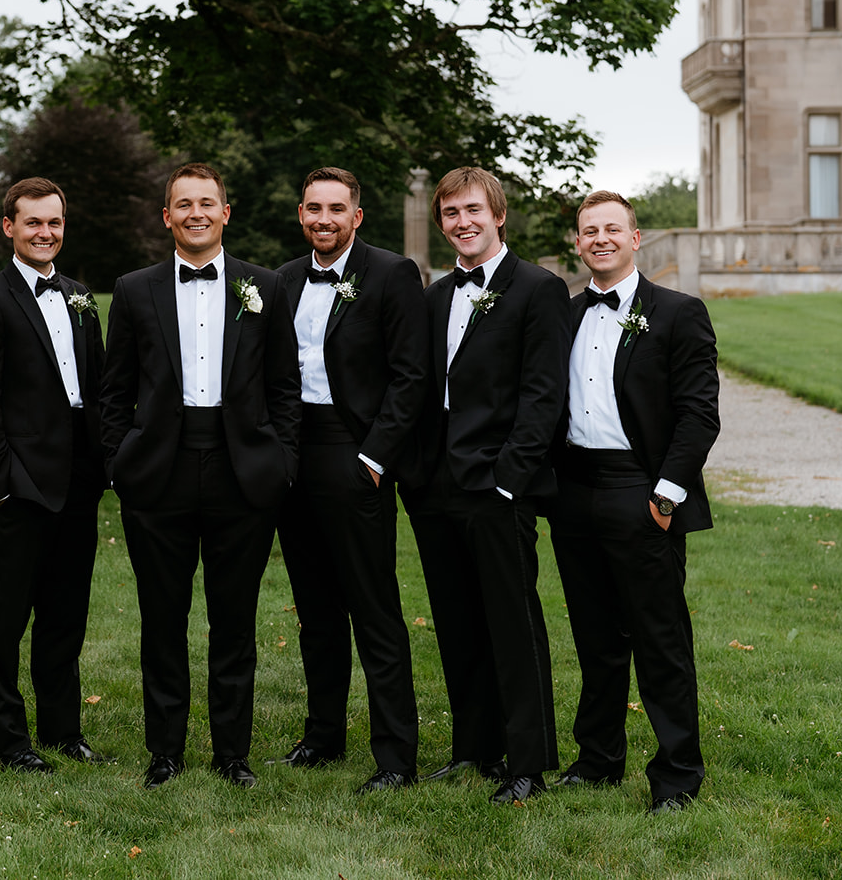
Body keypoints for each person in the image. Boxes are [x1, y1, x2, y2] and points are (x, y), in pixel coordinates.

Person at [100, 162, 301, 790]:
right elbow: (115, 391)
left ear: (225, 212)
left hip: (241, 472)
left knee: (234, 620)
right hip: (157, 473)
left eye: (206, 203)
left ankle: (232, 755)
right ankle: (165, 752)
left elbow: (284, 387)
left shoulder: (264, 285)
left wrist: (282, 461)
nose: (195, 213)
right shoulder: (135, 289)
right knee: (162, 619)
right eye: (182, 204)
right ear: (167, 216)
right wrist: (119, 464)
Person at [547, 190, 720, 815]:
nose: (600, 239)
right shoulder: (562, 315)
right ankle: (597, 759)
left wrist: (665, 497)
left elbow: (699, 414)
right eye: (589, 230)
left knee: (659, 638)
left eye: (612, 229)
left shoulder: (677, 312)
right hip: (574, 493)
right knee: (594, 637)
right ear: (577, 242)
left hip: (640, 492)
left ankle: (677, 774)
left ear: (635, 237)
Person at [403, 166, 570, 804]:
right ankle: (475, 746)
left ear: (498, 214)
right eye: (450, 214)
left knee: (512, 622)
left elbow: (544, 395)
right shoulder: (438, 295)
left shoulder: (538, 289)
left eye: (473, 210)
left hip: (499, 486)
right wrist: (418, 475)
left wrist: (508, 481)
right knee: (457, 621)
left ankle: (527, 762)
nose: (462, 223)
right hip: (437, 486)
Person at [272, 166, 427, 794]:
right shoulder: (281, 280)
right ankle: (322, 736)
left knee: (374, 607)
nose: (324, 219)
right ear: (302, 213)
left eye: (337, 209)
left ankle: (395, 755)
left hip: (354, 453)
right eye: (313, 208)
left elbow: (411, 376)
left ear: (356, 217)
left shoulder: (390, 274)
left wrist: (375, 457)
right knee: (315, 608)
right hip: (293, 457)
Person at [0, 177, 110, 773]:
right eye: (33, 223)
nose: (45, 233)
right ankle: (8, 737)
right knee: (6, 616)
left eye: (54, 223)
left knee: (67, 611)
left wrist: (101, 466)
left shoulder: (78, 294)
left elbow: (95, 389)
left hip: (78, 479)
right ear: (9, 228)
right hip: (18, 482)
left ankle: (63, 729)